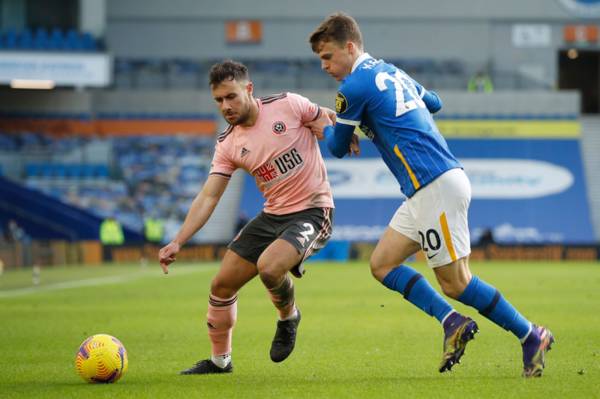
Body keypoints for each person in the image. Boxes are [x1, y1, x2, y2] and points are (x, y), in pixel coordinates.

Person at [307, 12, 553, 378]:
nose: (325, 66)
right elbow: (434, 102)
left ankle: (530, 334)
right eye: (320, 60)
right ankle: (452, 322)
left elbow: (338, 147)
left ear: (349, 46)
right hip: (428, 188)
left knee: (456, 282)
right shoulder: (392, 72)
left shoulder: (353, 88)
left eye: (328, 56)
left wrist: (321, 123)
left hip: (433, 185)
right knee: (382, 264)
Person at [158, 60, 355, 375]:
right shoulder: (228, 144)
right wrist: (178, 240)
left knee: (269, 267)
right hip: (272, 214)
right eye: (219, 100)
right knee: (221, 285)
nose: (226, 106)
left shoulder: (288, 105)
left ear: (248, 89)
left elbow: (327, 120)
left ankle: (288, 317)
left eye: (231, 96)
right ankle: (220, 361)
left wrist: (339, 133)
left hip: (313, 210)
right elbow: (209, 195)